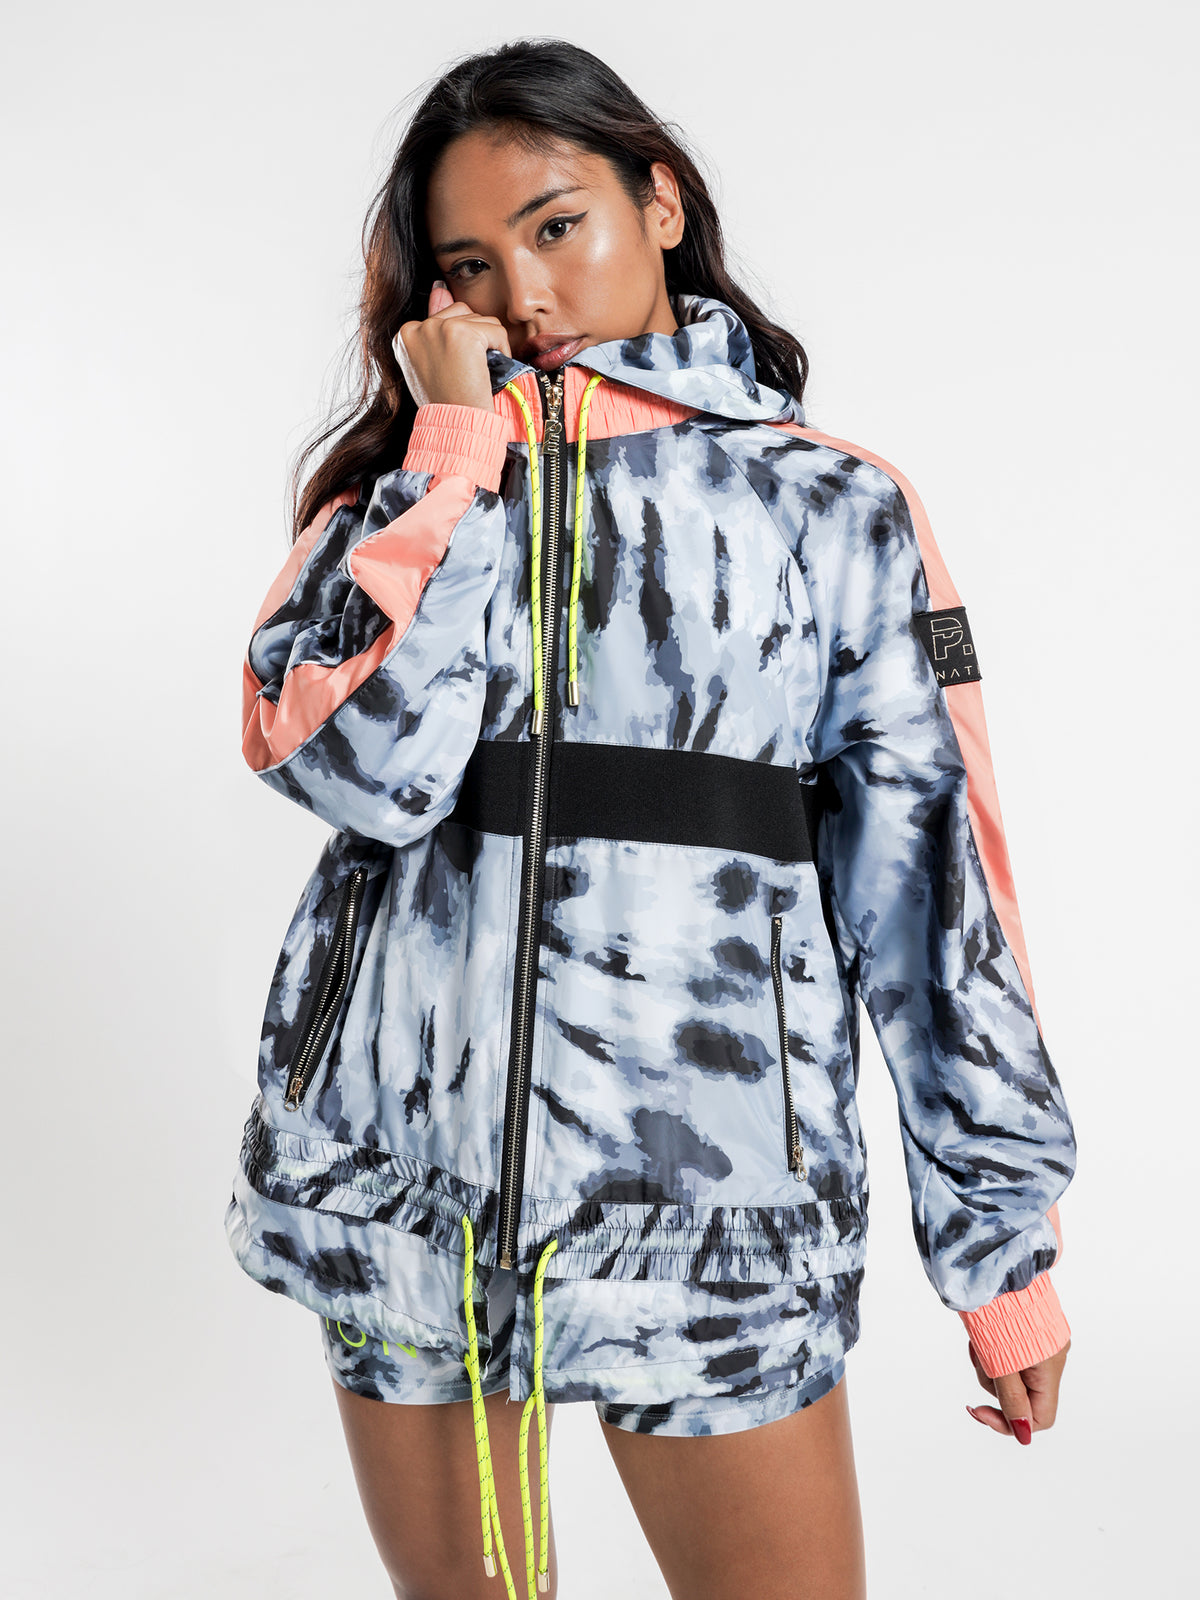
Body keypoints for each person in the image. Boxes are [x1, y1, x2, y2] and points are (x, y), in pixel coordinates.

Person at [224, 36, 1076, 1600]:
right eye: (472, 267)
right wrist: (454, 460)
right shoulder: (402, 498)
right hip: (405, 1196)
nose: (527, 295)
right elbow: (358, 771)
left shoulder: (832, 508)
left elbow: (935, 896)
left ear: (660, 203)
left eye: (559, 226)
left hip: (716, 1212)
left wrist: (1002, 1257)